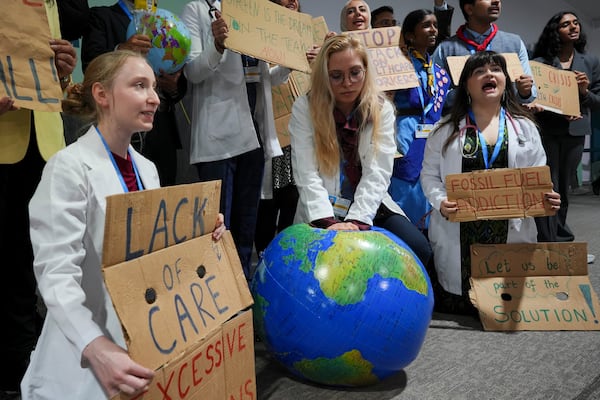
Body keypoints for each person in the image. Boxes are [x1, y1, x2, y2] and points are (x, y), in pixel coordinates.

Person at [20, 50, 226, 400]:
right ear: (102, 95)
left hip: (141, 339)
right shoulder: (67, 168)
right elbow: (55, 275)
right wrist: (95, 347)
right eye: (138, 85)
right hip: (84, 351)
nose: (153, 97)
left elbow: (154, 258)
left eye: (153, 87)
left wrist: (199, 235)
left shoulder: (147, 169)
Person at [421, 51, 561, 315]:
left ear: (505, 80)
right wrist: (440, 202)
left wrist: (547, 197)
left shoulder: (525, 128)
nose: (489, 74)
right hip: (459, 230)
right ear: (466, 86)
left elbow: (538, 174)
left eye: (496, 69)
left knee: (504, 302)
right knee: (461, 300)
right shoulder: (443, 130)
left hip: (511, 227)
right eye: (479, 71)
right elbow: (429, 175)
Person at [289, 34, 432, 267]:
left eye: (355, 73)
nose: (347, 83)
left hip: (367, 207)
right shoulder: (304, 107)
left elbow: (378, 172)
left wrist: (356, 221)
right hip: (321, 207)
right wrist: (328, 222)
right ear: (324, 76)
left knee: (417, 248)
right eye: (336, 76)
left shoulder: (381, 108)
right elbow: (306, 173)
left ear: (366, 71)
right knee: (315, 262)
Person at [181, 0, 290, 279]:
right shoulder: (195, 8)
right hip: (219, 139)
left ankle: (240, 288)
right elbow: (192, 72)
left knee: (245, 228)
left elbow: (266, 78)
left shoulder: (252, 12)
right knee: (218, 227)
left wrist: (292, 62)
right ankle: (218, 294)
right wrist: (217, 45)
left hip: (253, 135)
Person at [0, 2, 76, 398]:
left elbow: (46, 75)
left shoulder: (46, 2)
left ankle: (22, 373)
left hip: (43, 144)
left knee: (29, 264)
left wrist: (61, 72)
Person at [81, 0, 185, 186]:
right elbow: (91, 65)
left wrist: (174, 86)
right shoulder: (102, 16)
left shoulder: (163, 22)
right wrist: (121, 51)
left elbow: (179, 81)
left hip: (161, 128)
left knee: (163, 193)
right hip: (118, 127)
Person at [530, 11, 600, 255]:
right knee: (548, 186)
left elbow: (596, 102)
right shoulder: (539, 63)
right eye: (565, 24)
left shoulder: (591, 62)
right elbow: (531, 100)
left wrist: (583, 92)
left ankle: (561, 238)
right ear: (555, 31)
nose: (573, 27)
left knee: (565, 187)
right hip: (547, 130)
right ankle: (545, 238)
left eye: (576, 23)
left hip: (575, 132)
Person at [389, 9, 451, 232]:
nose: (433, 30)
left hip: (432, 136)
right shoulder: (396, 66)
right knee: (405, 189)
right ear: (410, 35)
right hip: (404, 133)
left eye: (435, 25)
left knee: (430, 184)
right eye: (426, 25)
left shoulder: (440, 73)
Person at [432, 0, 536, 108]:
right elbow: (435, 95)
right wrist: (466, 91)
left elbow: (530, 93)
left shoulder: (515, 43)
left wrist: (525, 92)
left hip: (504, 120)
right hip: (461, 121)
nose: (496, 1)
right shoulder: (446, 49)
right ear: (469, 9)